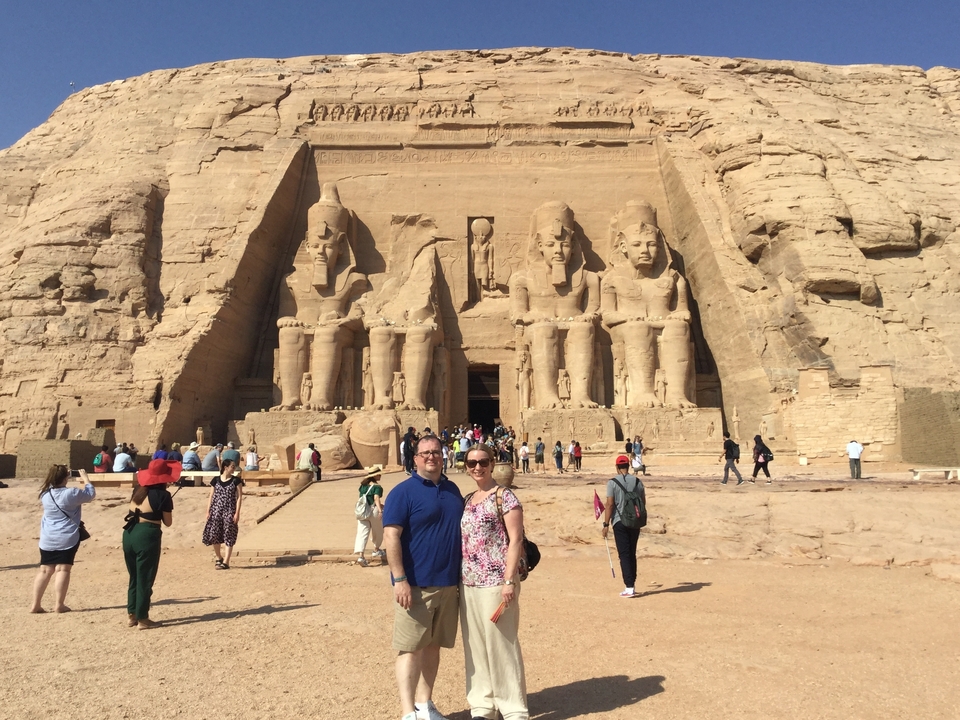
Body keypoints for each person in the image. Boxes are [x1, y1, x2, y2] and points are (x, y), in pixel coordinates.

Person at [382, 435, 463, 720]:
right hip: (415, 584)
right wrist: (399, 578)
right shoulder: (402, 492)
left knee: (432, 646)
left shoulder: (453, 490)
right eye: (425, 453)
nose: (432, 457)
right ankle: (407, 711)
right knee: (410, 648)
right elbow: (391, 536)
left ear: (444, 456)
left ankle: (425, 704)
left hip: (447, 583)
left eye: (436, 452)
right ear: (415, 458)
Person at [460, 443, 529, 720]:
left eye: (483, 461)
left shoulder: (505, 496)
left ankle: (513, 708)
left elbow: (516, 539)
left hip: (496, 581)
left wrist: (509, 580)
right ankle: (483, 706)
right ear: (465, 466)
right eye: (472, 462)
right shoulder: (467, 499)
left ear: (492, 463)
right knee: (475, 646)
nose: (478, 466)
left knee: (502, 644)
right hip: (469, 582)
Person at [30, 465, 96, 613]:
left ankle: (35, 604)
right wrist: (86, 479)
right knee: (63, 569)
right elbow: (90, 494)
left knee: (45, 570)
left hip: (48, 537)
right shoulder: (71, 493)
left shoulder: (45, 494)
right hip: (67, 536)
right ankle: (59, 604)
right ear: (66, 478)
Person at [123, 459, 178, 628]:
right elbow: (167, 522)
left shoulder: (138, 490)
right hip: (147, 535)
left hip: (129, 533)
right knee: (145, 577)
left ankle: (132, 614)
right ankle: (143, 618)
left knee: (134, 576)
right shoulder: (163, 495)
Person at [601, 455, 646, 598]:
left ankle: (629, 587)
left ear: (616, 467)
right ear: (628, 465)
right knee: (632, 553)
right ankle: (632, 584)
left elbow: (609, 504)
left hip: (619, 521)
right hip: (635, 521)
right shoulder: (638, 481)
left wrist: (606, 524)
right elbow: (642, 502)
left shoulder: (612, 483)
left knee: (624, 554)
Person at [202, 458, 244, 569]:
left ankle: (226, 561)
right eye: (232, 466)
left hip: (229, 510)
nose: (234, 468)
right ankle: (219, 557)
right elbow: (211, 496)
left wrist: (237, 513)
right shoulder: (215, 480)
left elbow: (239, 497)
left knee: (229, 534)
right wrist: (208, 510)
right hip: (216, 510)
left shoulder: (236, 481)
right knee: (214, 534)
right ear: (226, 467)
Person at [354, 465, 385, 567]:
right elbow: (376, 499)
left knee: (362, 533)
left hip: (362, 511)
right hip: (373, 511)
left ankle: (361, 555)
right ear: (374, 476)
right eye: (378, 474)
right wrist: (381, 511)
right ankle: (376, 549)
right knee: (378, 531)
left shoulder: (363, 486)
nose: (380, 475)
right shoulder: (377, 487)